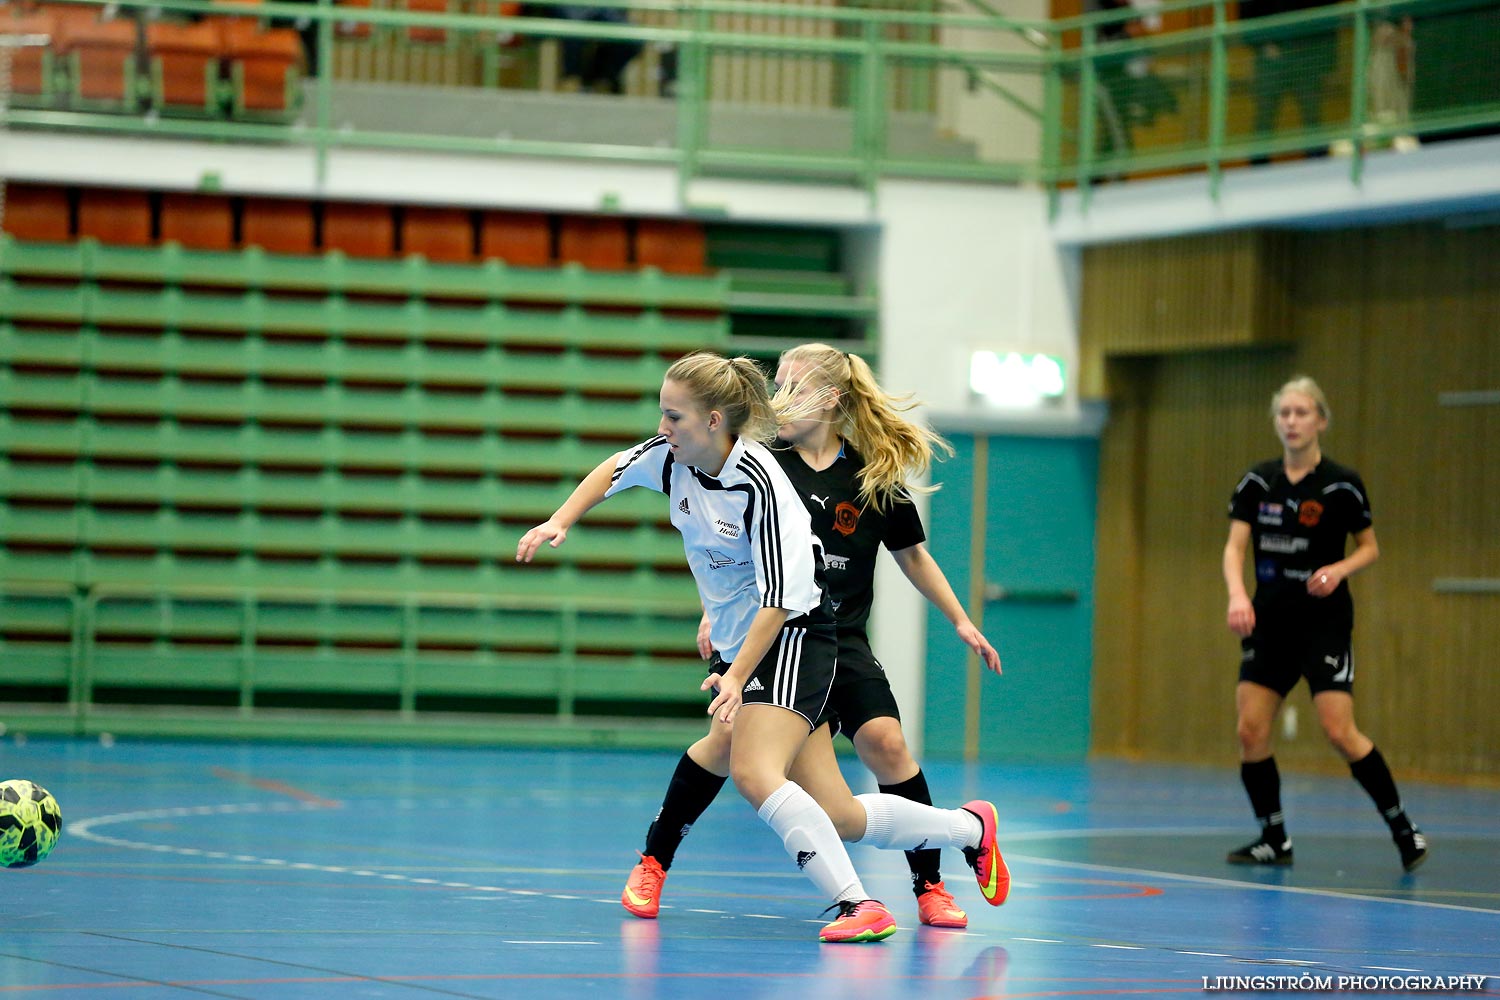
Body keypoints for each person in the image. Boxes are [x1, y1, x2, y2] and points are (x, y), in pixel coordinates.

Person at [516, 351, 1008, 943]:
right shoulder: (672, 460)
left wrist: (734, 676)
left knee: (753, 768)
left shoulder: (763, 484)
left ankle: (860, 904)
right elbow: (613, 469)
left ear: (715, 421)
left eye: (674, 416)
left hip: (796, 634)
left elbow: (779, 600)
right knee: (840, 815)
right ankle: (969, 829)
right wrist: (559, 520)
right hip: (747, 640)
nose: (661, 427)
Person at [1222, 375, 1427, 872]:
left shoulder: (1341, 484)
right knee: (1251, 730)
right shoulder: (1258, 482)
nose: (1291, 422)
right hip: (1270, 623)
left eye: (1301, 413)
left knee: (1338, 730)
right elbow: (1234, 548)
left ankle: (1404, 830)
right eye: (1284, 413)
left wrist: (1339, 570)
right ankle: (1274, 838)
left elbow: (1370, 548)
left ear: (1321, 420)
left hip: (1324, 625)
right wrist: (1237, 595)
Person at [1240, 0, 1338, 163]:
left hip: (1306, 57)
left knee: (1312, 115)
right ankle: (1258, 165)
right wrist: (1263, 44)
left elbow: (1327, 13)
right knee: (1264, 117)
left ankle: (1318, 161)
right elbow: (1246, 18)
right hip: (1270, 59)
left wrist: (1327, 61)